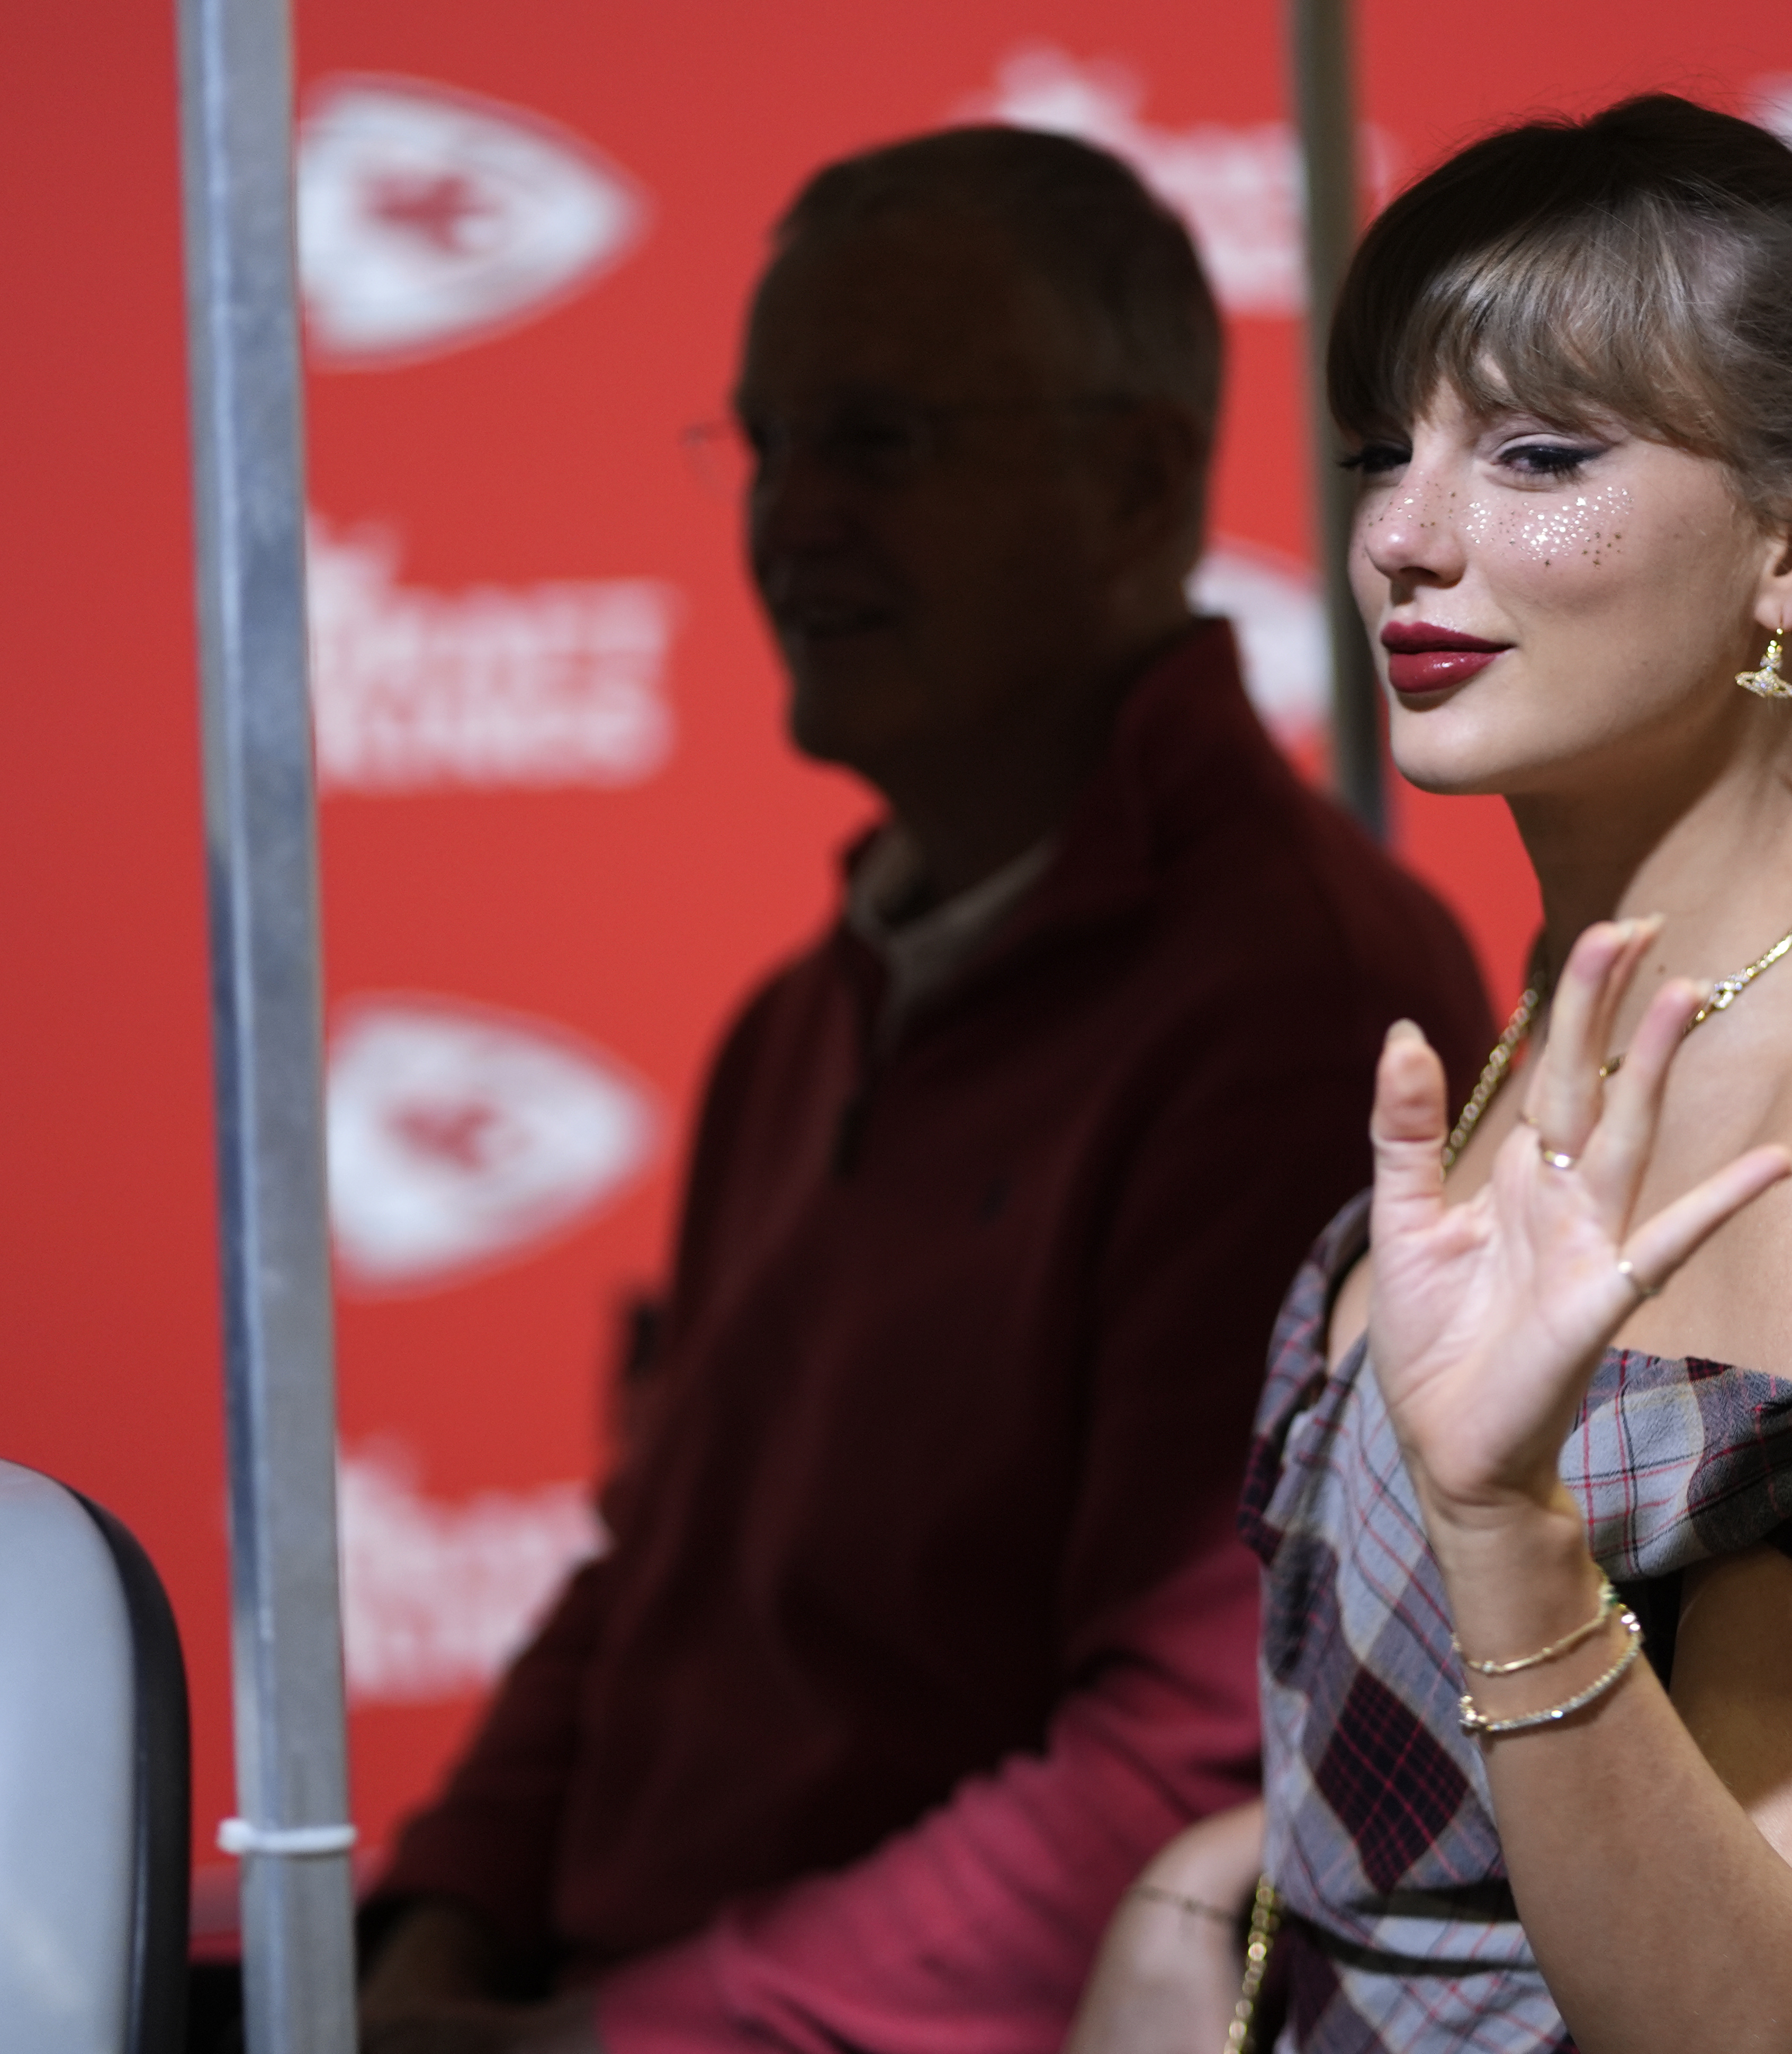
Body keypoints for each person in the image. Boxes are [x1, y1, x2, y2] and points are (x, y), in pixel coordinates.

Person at [354, 129, 1495, 2054]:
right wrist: (436, 1923)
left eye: (876, 441)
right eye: (764, 441)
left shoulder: (1299, 1006)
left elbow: (1177, 1786)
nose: (786, 519)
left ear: (1133, 481)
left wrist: (592, 2045)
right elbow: (653, 1580)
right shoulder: (802, 1017)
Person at [1067, 95, 1792, 2054]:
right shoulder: (1611, 999)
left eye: (1536, 456)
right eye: (1383, 453)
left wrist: (1500, 1532)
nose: (1400, 533)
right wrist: (1204, 1893)